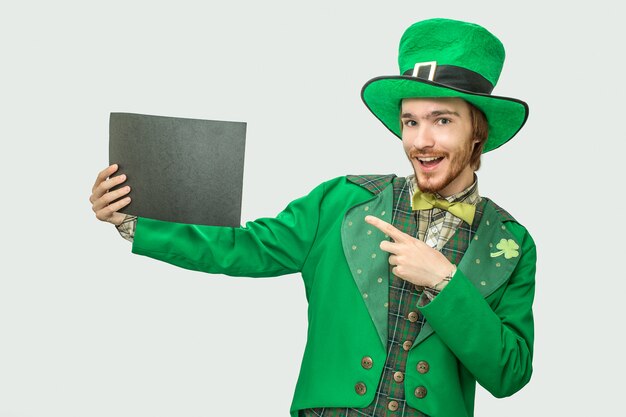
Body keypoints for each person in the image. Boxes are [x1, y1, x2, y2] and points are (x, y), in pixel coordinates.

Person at [90, 18, 536, 417]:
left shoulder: (512, 243)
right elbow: (246, 246)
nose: (421, 140)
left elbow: (509, 373)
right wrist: (134, 220)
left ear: (477, 132)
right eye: (410, 121)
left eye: (441, 121)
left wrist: (444, 281)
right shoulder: (342, 202)